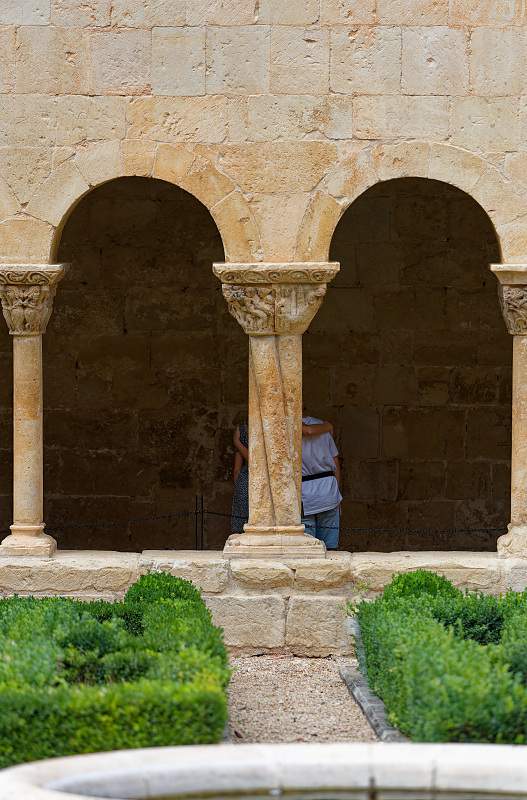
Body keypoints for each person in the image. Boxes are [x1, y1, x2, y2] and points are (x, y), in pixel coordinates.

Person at [301, 416, 342, 550]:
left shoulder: (288, 430)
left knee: (307, 550)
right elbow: (335, 463)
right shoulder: (323, 428)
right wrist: (338, 493)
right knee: (330, 549)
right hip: (328, 492)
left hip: (304, 495)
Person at [231, 422, 249, 533]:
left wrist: (237, 442)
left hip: (245, 480)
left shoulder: (241, 430)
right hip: (247, 480)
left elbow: (255, 460)